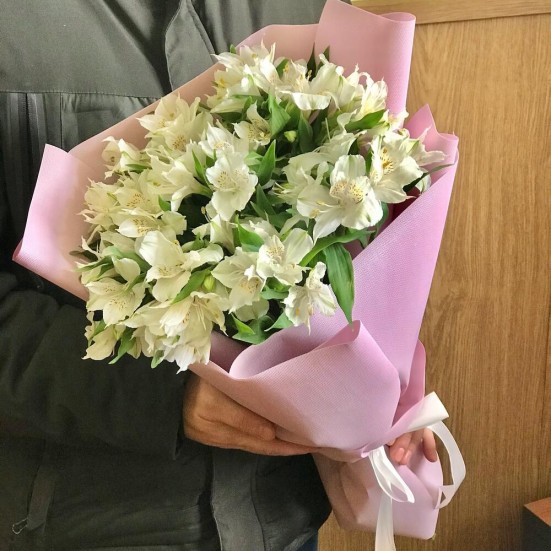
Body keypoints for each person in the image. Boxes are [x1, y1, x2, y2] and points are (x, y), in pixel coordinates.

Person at [0, 1, 436, 550]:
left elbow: (361, 234)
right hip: (88, 521)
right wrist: (163, 398)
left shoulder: (300, 7)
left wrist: (382, 380)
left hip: (281, 515)